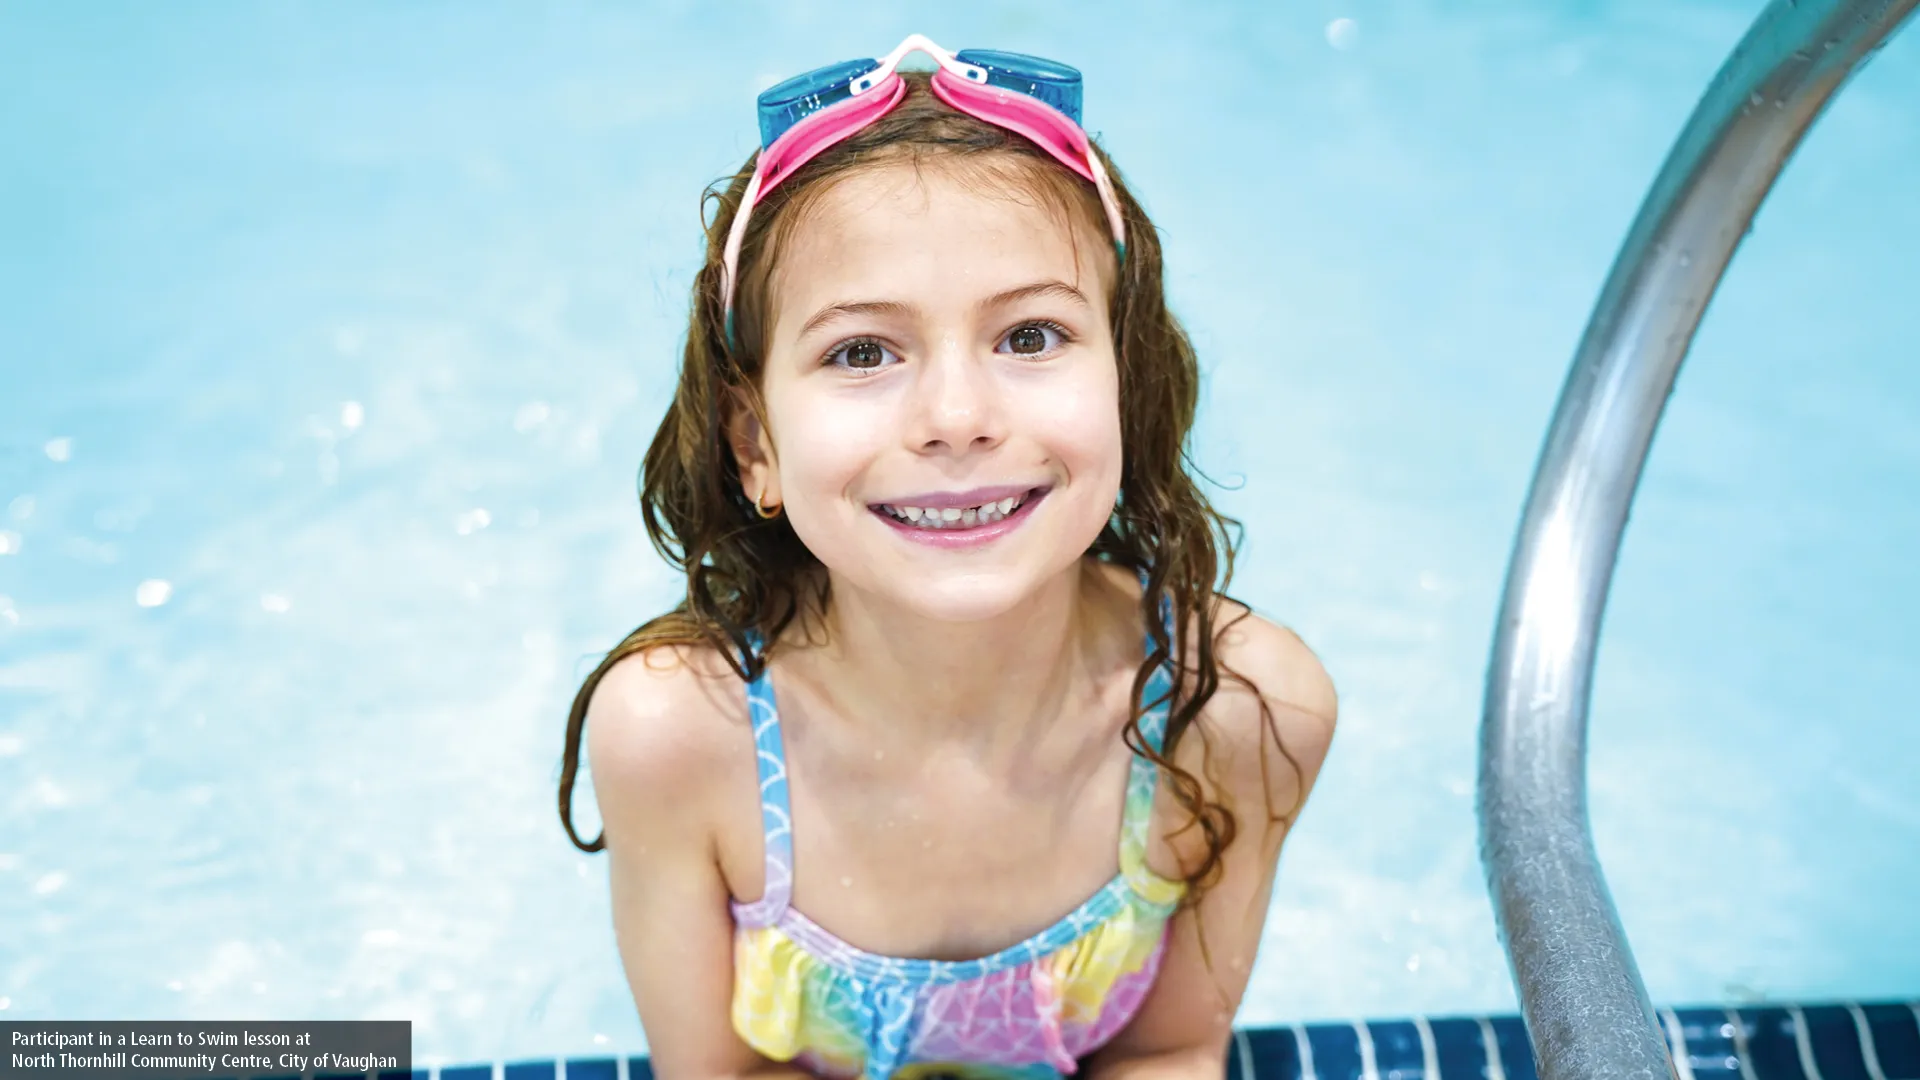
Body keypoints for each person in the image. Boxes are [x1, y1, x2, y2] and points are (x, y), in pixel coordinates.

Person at [556, 35, 1338, 1080]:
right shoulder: (680, 738)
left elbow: (1171, 1050)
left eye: (1029, 337)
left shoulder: (1235, 708)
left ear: (1125, 385)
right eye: (862, 353)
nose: (958, 418)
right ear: (757, 447)